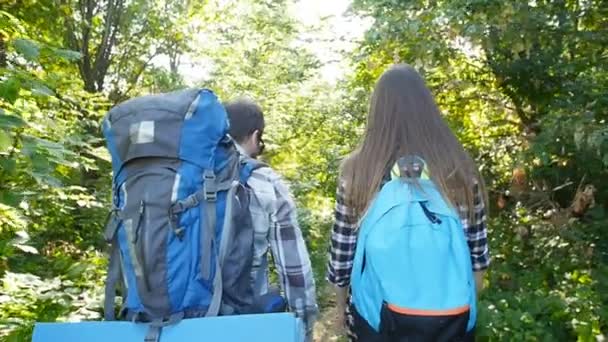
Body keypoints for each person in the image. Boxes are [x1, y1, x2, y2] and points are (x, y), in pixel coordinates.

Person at [326, 64, 490, 341]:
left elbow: (341, 261)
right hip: (450, 323)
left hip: (377, 321)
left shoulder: (358, 172)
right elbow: (477, 260)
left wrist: (342, 310)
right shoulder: (458, 170)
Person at [224, 98, 319, 340]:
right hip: (244, 324)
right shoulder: (264, 181)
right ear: (255, 136)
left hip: (173, 322)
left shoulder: (178, 179)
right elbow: (294, 270)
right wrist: (304, 327)